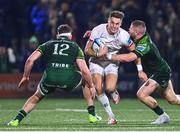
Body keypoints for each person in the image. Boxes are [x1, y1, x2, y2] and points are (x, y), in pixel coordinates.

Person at [8, 24, 101, 127]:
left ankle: (16, 120)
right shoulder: (75, 47)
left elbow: (30, 60)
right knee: (86, 78)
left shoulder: (47, 44)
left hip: (49, 79)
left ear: (57, 35)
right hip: (67, 80)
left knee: (37, 96)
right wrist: (91, 86)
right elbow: (84, 71)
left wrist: (25, 76)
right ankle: (92, 114)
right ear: (70, 36)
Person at [106, 20, 180, 125]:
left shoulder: (144, 44)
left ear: (136, 32)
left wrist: (109, 56)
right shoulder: (139, 37)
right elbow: (119, 34)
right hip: (160, 71)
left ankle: (163, 116)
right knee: (172, 99)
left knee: (141, 94)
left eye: (131, 28)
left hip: (160, 72)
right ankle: (164, 116)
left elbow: (130, 57)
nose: (128, 29)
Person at [84, 11, 146, 125]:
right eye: (112, 22)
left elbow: (136, 53)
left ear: (120, 24)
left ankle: (113, 92)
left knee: (110, 88)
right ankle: (111, 117)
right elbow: (87, 50)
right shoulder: (97, 30)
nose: (114, 26)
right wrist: (98, 54)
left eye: (117, 24)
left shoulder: (124, 36)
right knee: (98, 87)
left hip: (112, 63)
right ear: (108, 21)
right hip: (96, 61)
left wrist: (140, 70)